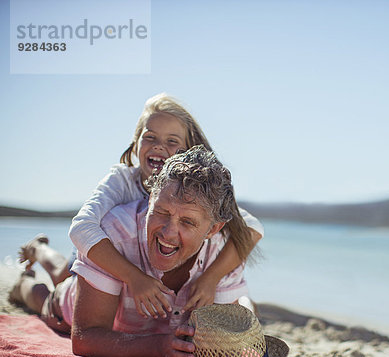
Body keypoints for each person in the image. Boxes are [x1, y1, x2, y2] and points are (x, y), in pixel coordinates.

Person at [10, 145, 249, 357]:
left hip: (104, 294)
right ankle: (26, 278)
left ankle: (39, 248)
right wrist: (159, 347)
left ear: (213, 229)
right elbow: (85, 338)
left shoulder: (222, 255)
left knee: (64, 272)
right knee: (45, 297)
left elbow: (224, 340)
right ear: (152, 197)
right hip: (67, 309)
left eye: (187, 222)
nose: (168, 232)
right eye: (162, 212)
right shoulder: (116, 232)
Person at [18, 93, 263, 319]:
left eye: (172, 141)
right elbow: (81, 228)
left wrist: (211, 278)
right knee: (64, 277)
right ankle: (29, 271)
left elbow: (250, 226)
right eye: (150, 137)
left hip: (130, 259)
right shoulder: (122, 181)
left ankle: (39, 249)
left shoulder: (193, 195)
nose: (159, 146)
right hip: (100, 247)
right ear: (136, 142)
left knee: (64, 277)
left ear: (187, 152)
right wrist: (134, 278)